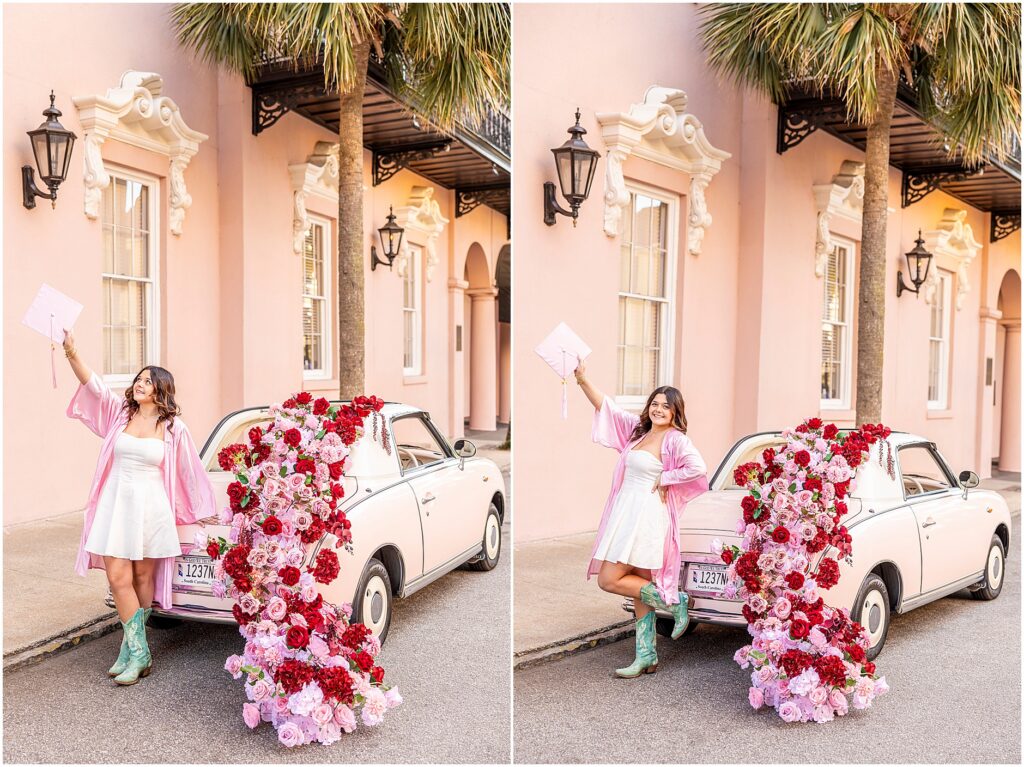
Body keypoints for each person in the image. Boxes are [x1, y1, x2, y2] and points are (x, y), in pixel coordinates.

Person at [63, 329, 215, 685]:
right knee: (118, 579)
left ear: (161, 390)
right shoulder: (120, 414)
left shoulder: (174, 428)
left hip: (151, 508)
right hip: (117, 504)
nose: (139, 384)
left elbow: (189, 471)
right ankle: (140, 651)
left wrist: (199, 509)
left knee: (143, 577)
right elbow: (94, 385)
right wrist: (72, 351)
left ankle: (131, 650)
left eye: (147, 380)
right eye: (138, 380)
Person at [574, 358, 709, 678]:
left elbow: (698, 469)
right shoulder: (637, 433)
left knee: (610, 579)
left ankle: (675, 602)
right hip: (626, 513)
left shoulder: (676, 439)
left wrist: (666, 479)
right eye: (655, 403)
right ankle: (646, 655)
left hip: (648, 517)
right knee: (638, 585)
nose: (659, 409)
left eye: (666, 406)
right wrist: (581, 379)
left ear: (676, 412)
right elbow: (606, 407)